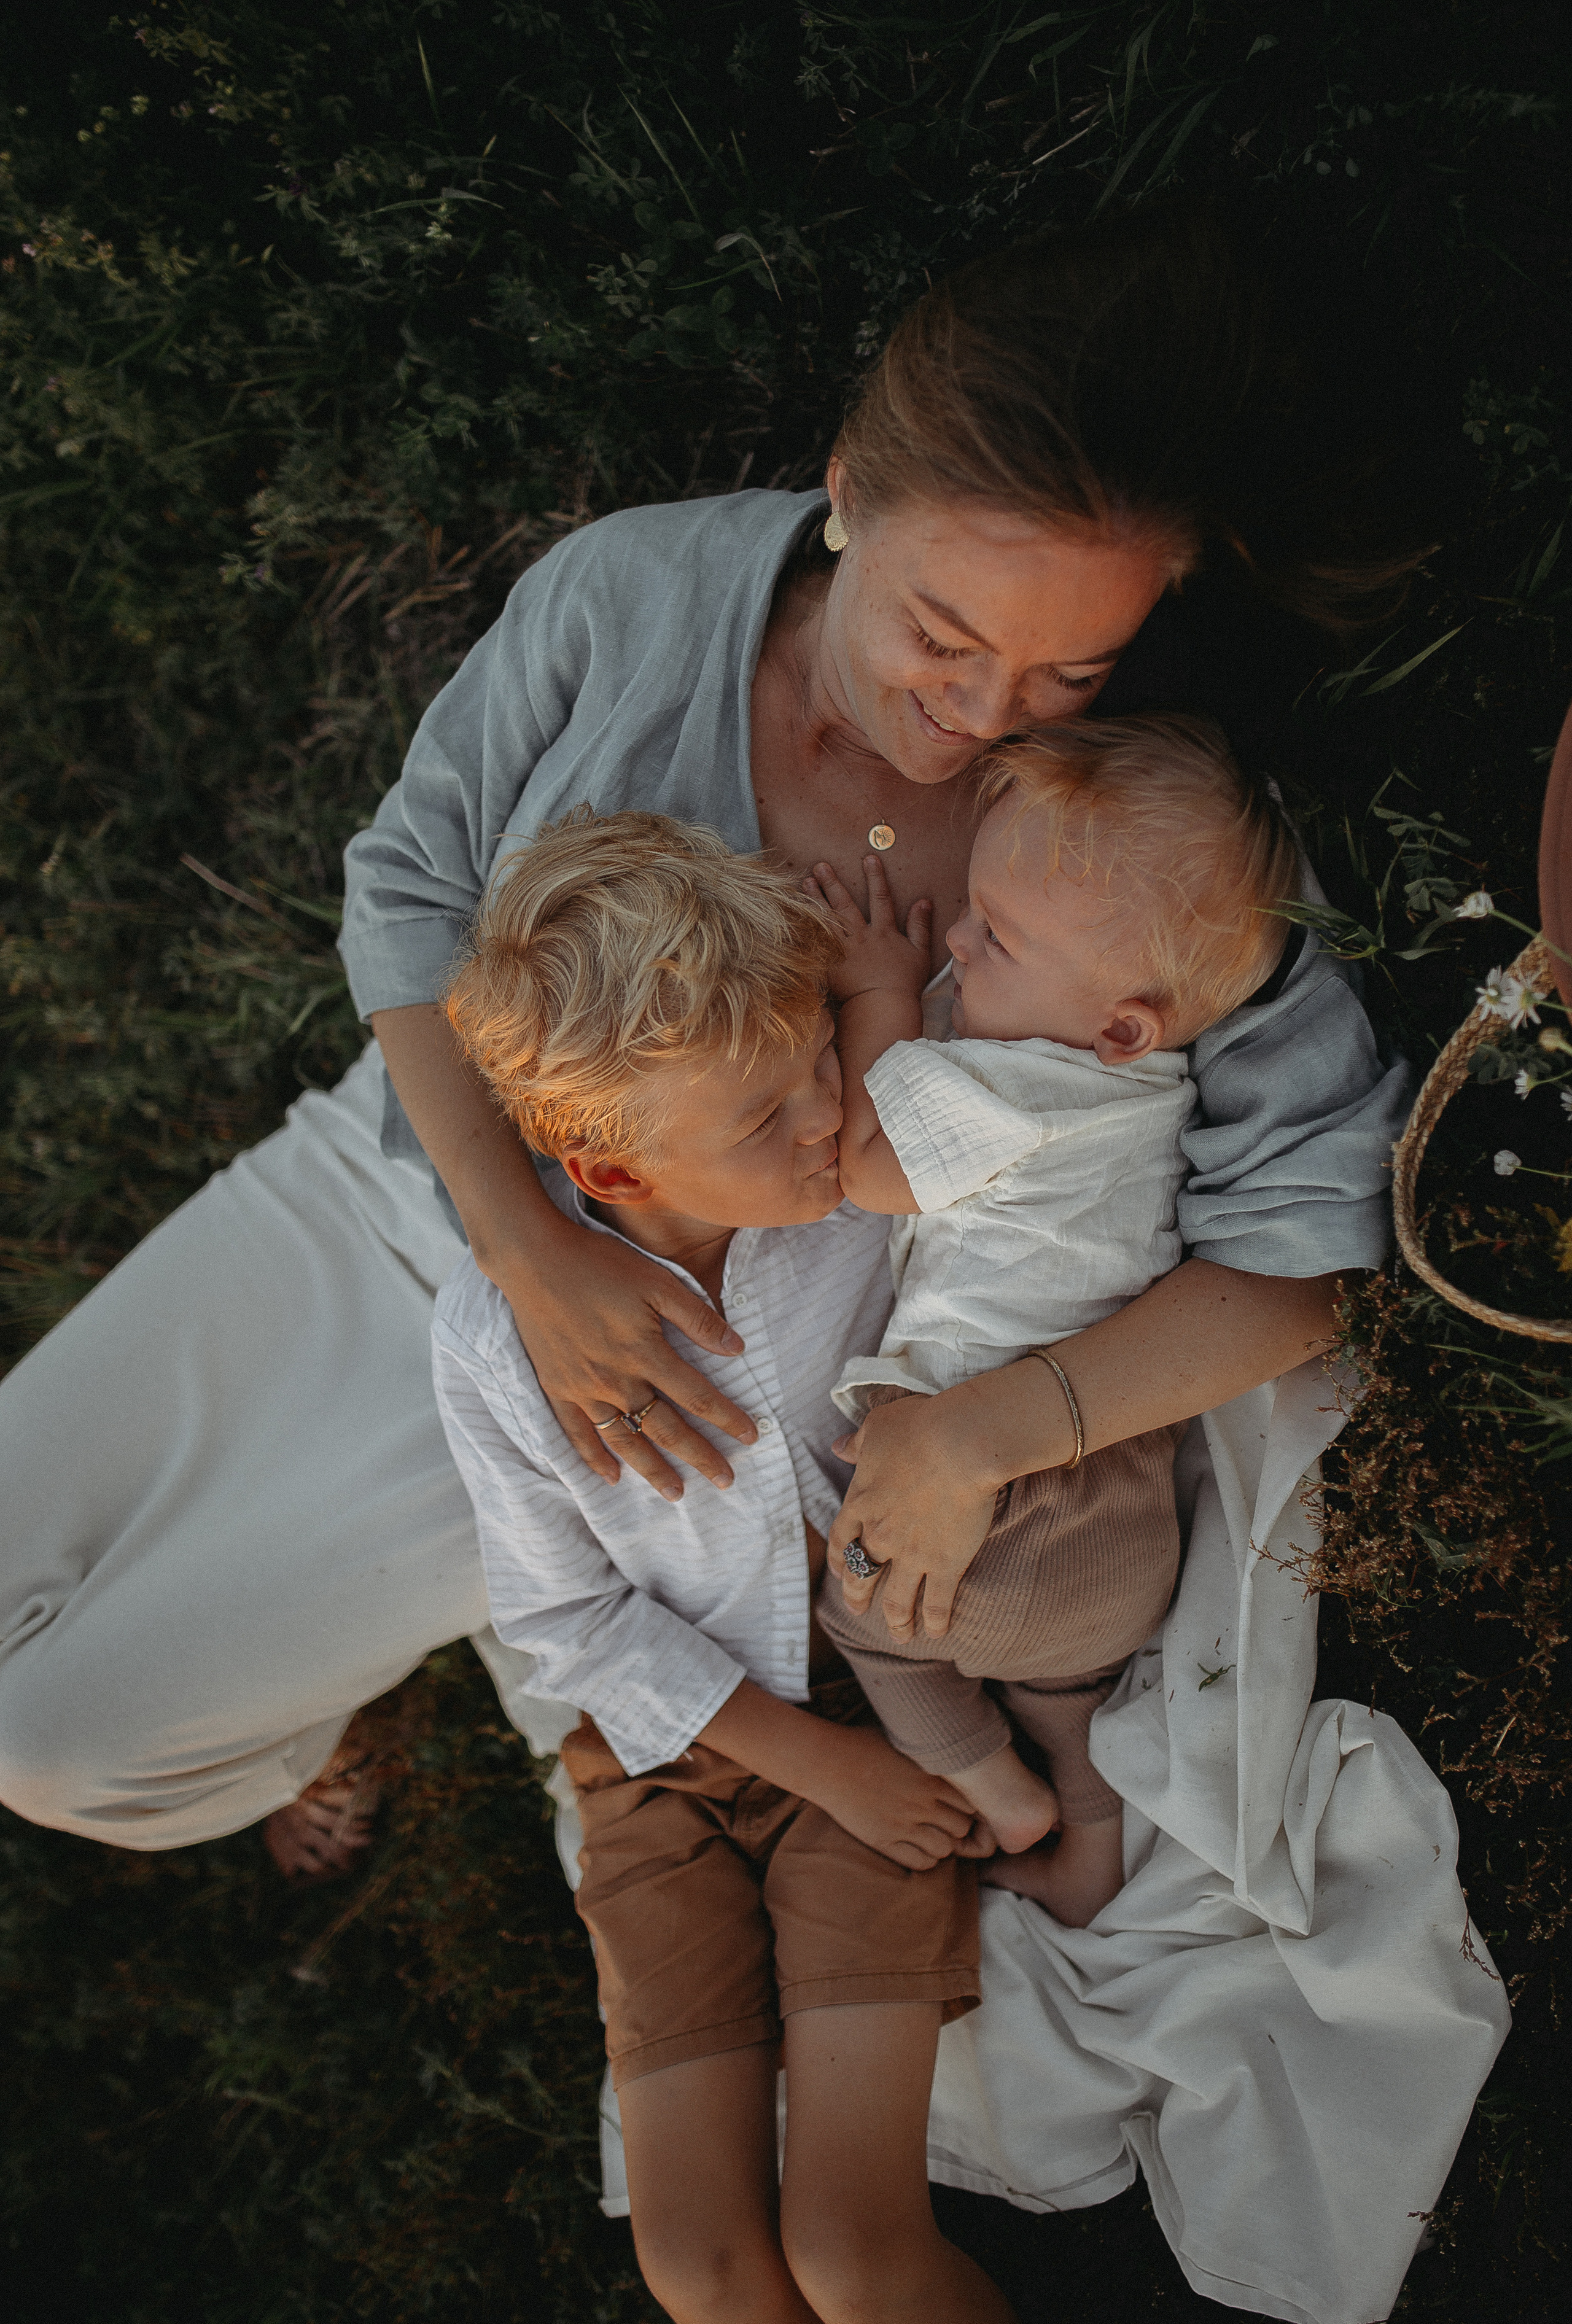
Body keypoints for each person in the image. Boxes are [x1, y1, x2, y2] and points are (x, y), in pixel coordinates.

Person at [0, 204, 1416, 1865]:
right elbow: (408, 889)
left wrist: (989, 1434)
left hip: (659, 1401)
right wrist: (525, 1245)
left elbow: (1299, 1251)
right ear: (847, 493)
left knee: (66, 1750)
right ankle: (337, 1660)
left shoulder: (1140, 837)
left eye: (1067, 672)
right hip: (399, 1179)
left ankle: (310, 1710)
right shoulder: (642, 591)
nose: (977, 720)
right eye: (940, 637)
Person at [431, 809, 1013, 2324]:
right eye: (765, 1116)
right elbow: (565, 1621)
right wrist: (811, 1765)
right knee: (698, 2270)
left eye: (819, 1055)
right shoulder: (497, 1345)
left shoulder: (851, 1197)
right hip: (666, 1764)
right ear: (610, 1173)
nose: (826, 1116)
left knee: (850, 2253)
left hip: (876, 1703)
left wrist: (872, 997)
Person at [808, 716, 1301, 1926]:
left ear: (1120, 1024)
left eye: (996, 936)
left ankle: (999, 1791)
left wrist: (879, 986)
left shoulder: (1008, 1087)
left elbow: (867, 1168)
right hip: (1114, 1516)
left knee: (866, 1625)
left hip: (987, 1504)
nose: (956, 942)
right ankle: (1088, 1841)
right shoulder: (1152, 1092)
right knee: (1068, 1689)